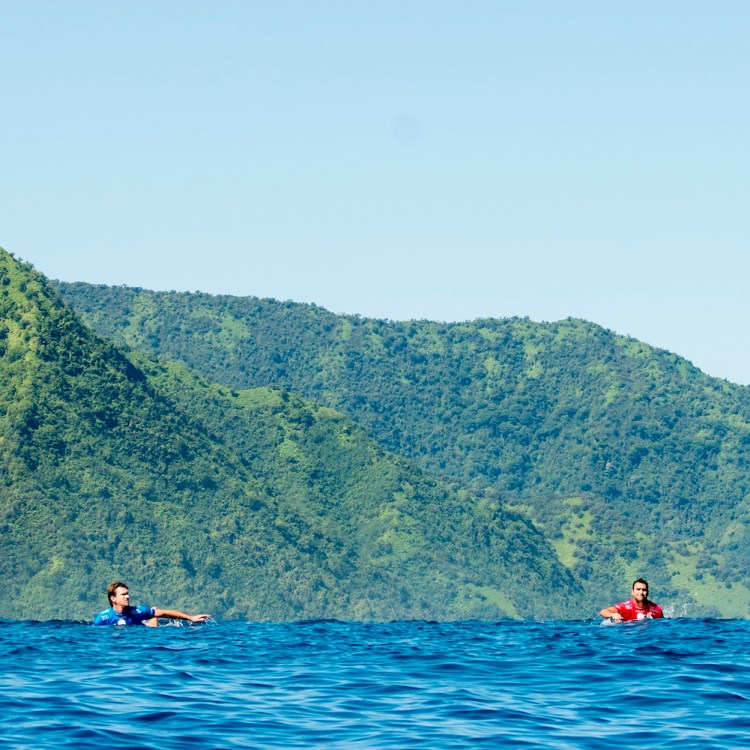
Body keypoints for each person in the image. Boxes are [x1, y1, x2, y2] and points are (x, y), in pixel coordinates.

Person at [93, 581, 210, 626]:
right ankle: (152, 616)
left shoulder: (138, 610)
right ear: (113, 598)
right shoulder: (103, 618)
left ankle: (152, 614)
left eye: (127, 593)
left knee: (153, 627)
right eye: (123, 594)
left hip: (141, 629)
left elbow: (164, 613)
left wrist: (191, 618)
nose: (127, 596)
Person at [599, 578, 664, 621]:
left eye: (644, 590)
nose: (641, 592)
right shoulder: (624, 607)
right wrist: (612, 614)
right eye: (638, 589)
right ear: (632, 592)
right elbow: (603, 612)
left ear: (647, 592)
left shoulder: (656, 609)